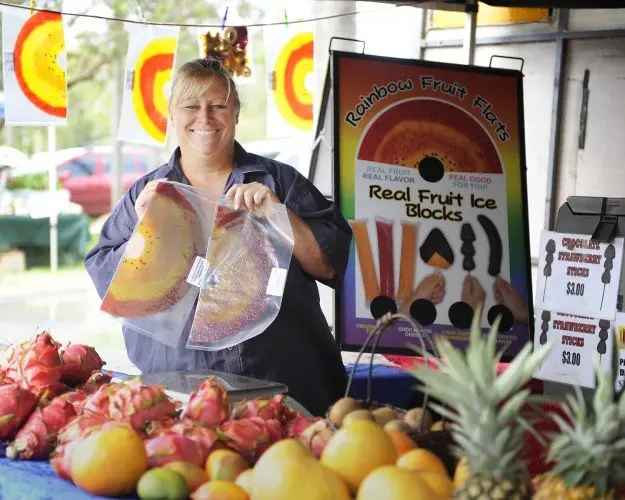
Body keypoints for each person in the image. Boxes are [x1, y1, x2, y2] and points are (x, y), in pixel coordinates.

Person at [85, 58, 352, 416]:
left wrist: (279, 214)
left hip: (282, 388)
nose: (204, 118)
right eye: (191, 106)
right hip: (179, 391)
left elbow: (331, 265)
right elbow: (111, 282)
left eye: (218, 106)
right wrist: (144, 232)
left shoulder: (281, 182)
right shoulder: (145, 195)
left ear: (236, 113)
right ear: (172, 116)